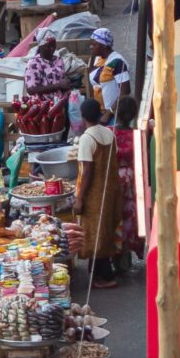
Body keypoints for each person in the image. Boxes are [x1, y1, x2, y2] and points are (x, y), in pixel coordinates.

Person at [74, 101, 123, 286]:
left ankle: (104, 277)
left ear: (83, 117)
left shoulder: (87, 138)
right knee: (105, 230)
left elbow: (87, 171)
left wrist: (79, 198)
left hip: (93, 193)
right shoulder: (110, 133)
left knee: (94, 233)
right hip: (110, 190)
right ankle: (101, 273)